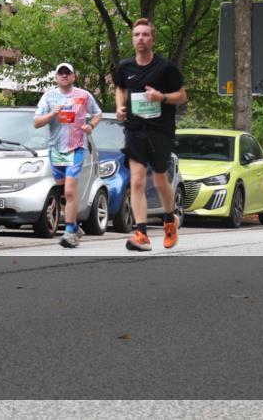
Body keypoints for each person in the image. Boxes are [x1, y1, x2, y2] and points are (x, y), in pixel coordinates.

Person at [115, 18, 187, 251]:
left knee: (158, 179)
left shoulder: (165, 68)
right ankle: (141, 234)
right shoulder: (125, 67)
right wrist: (119, 108)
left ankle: (168, 220)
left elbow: (182, 96)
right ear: (132, 39)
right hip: (136, 129)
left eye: (145, 35)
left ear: (152, 40)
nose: (141, 39)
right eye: (137, 35)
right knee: (136, 180)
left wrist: (161, 97)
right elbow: (120, 87)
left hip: (161, 130)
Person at [33, 62, 103, 248]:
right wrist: (51, 115)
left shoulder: (83, 95)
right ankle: (75, 226)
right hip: (56, 149)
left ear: (73, 76)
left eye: (67, 73)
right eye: (60, 73)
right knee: (63, 193)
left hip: (77, 147)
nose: (64, 76)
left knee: (70, 190)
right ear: (56, 77)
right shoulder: (49, 96)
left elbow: (98, 114)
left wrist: (91, 126)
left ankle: (70, 232)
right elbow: (36, 123)